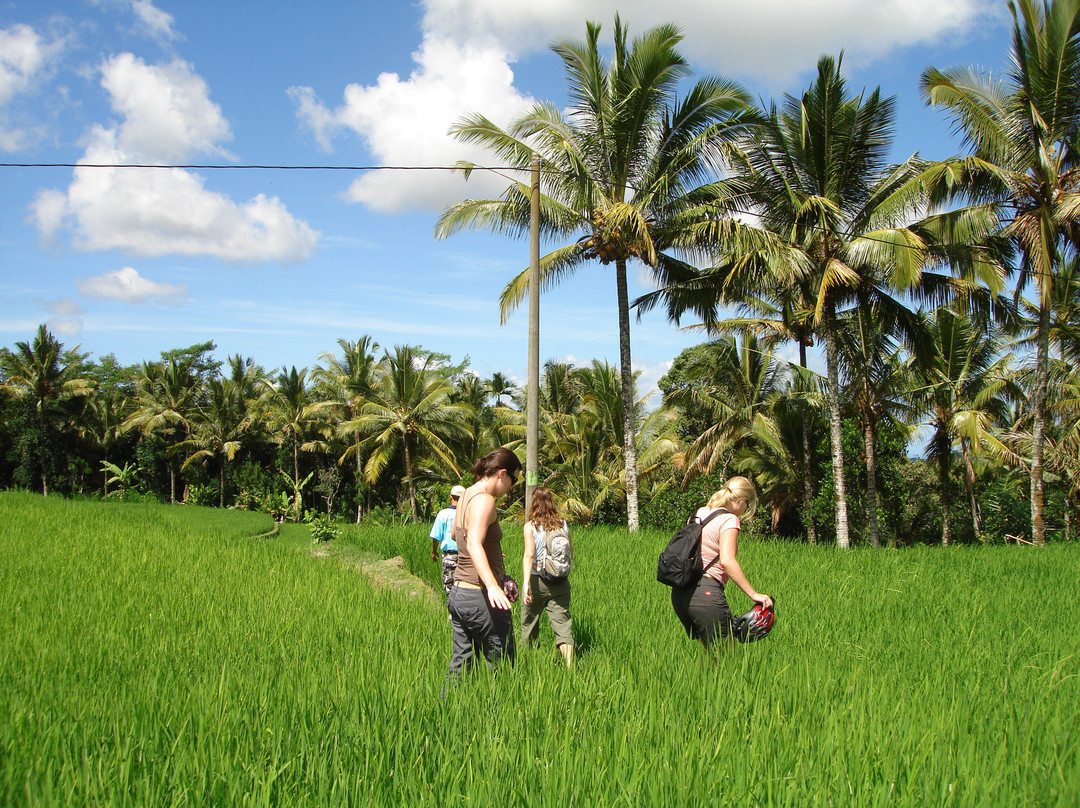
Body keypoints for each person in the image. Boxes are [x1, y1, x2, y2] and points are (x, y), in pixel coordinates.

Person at [445, 447, 522, 687]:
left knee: (460, 666)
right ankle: (500, 718)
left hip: (459, 593)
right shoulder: (485, 500)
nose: (512, 487)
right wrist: (492, 585)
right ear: (501, 474)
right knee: (501, 666)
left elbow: (456, 536)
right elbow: (474, 543)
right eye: (513, 479)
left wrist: (493, 555)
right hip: (479, 596)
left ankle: (448, 713)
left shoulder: (467, 494)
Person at [671, 476, 772, 651]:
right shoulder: (729, 520)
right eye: (747, 503)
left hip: (681, 594)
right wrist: (754, 594)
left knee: (712, 658)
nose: (746, 508)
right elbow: (727, 560)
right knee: (728, 661)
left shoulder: (699, 513)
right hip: (706, 594)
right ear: (740, 500)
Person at [521, 486, 574, 667]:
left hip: (537, 579)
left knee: (529, 623)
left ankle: (528, 663)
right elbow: (570, 554)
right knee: (563, 624)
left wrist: (526, 584)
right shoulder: (562, 523)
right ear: (551, 502)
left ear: (534, 504)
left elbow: (529, 555)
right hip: (560, 581)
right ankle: (569, 665)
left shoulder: (531, 527)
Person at [431, 484, 465, 596]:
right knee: (465, 588)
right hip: (466, 556)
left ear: (451, 497)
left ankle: (452, 612)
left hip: (449, 556)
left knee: (450, 589)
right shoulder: (467, 514)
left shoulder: (443, 514)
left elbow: (436, 537)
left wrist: (434, 551)